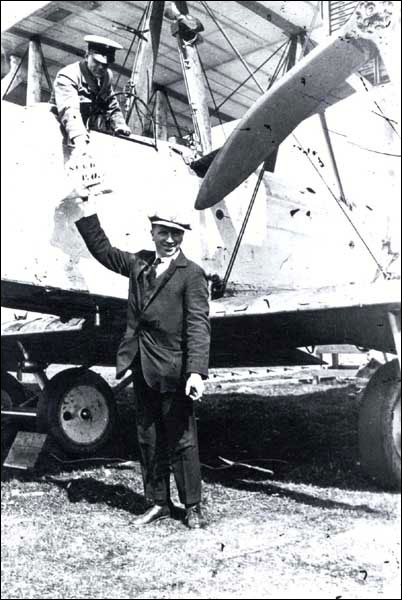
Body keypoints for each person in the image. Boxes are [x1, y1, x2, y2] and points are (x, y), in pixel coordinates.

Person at [75, 196, 211, 529]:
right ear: (152, 231)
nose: (169, 239)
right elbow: (104, 252)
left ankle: (193, 505)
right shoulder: (139, 264)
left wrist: (195, 372)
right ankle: (158, 502)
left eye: (176, 234)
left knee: (181, 437)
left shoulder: (192, 274)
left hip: (174, 369)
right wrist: (85, 210)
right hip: (142, 364)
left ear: (183, 237)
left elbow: (198, 324)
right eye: (164, 231)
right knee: (148, 437)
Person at [50, 35, 131, 153]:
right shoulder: (68, 75)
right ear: (87, 56)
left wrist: (120, 125)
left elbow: (111, 105)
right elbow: (69, 110)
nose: (101, 67)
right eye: (97, 62)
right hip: (57, 131)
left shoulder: (106, 77)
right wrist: (80, 140)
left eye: (105, 64)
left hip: (82, 135)